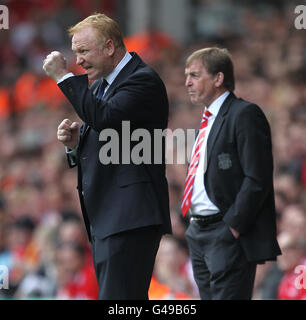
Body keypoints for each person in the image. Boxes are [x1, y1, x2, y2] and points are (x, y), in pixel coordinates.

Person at [42, 13, 171, 299]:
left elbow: (106, 118)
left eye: (84, 51)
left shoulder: (142, 80)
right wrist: (76, 144)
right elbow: (108, 131)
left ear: (110, 47)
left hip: (131, 215)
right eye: (75, 53)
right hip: (110, 216)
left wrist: (63, 77)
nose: (78, 61)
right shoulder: (102, 83)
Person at [181, 47, 281, 300]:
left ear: (218, 78)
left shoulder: (244, 114)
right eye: (186, 75)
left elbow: (257, 178)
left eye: (194, 75)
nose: (187, 82)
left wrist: (233, 227)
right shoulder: (206, 120)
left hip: (225, 232)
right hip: (198, 232)